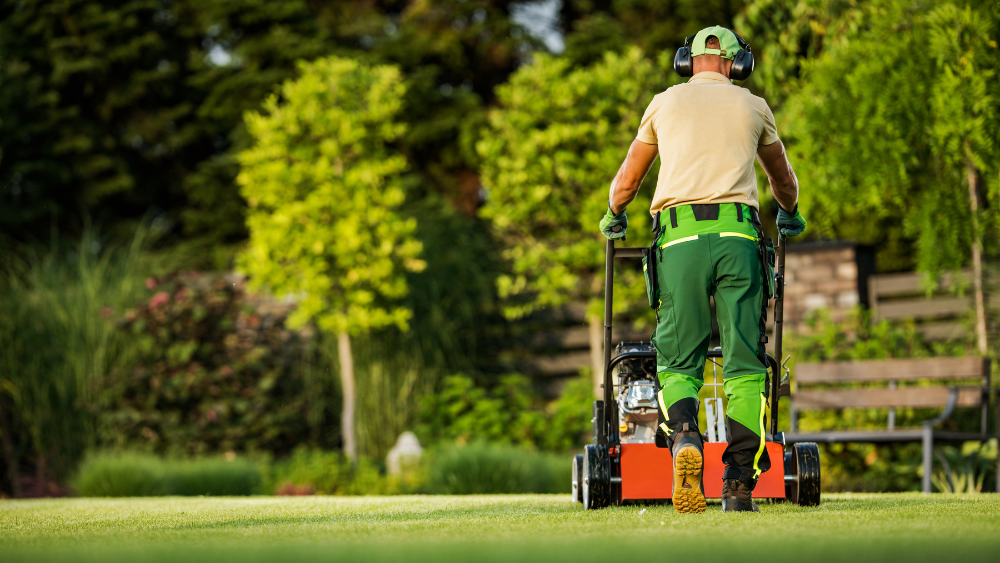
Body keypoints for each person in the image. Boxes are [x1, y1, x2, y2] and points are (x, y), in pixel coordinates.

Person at [598, 26, 806, 513]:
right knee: (746, 363)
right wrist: (789, 211)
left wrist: (614, 213)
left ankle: (685, 438)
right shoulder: (754, 106)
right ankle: (737, 484)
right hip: (738, 237)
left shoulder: (663, 103)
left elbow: (627, 179)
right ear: (738, 64)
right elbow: (783, 180)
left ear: (685, 62)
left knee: (676, 355)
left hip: (680, 238)